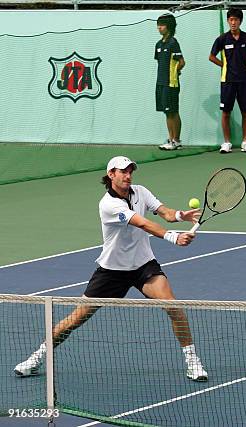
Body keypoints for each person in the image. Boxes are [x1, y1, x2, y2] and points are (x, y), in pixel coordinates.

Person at [14, 156, 208, 382]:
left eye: (130, 171)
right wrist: (172, 236)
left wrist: (178, 216)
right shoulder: (109, 205)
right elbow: (143, 223)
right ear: (111, 175)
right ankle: (37, 357)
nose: (128, 175)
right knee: (76, 318)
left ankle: (192, 361)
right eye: (122, 171)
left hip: (143, 265)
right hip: (112, 271)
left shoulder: (140, 191)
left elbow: (163, 211)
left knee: (173, 307)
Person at [209, 8, 246, 154]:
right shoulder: (222, 39)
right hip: (227, 81)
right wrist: (224, 65)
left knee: (245, 112)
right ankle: (227, 143)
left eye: (236, 20)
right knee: (226, 112)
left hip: (244, 81)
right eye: (231, 20)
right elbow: (211, 56)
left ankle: (245, 142)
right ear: (228, 21)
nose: (233, 22)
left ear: (240, 21)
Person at [156, 13, 185, 151]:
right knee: (168, 112)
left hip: (171, 83)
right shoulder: (158, 44)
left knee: (173, 111)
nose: (159, 27)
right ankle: (172, 139)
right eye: (158, 25)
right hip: (161, 83)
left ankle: (175, 140)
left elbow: (181, 62)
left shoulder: (173, 43)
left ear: (169, 27)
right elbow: (160, 62)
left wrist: (175, 72)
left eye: (161, 25)